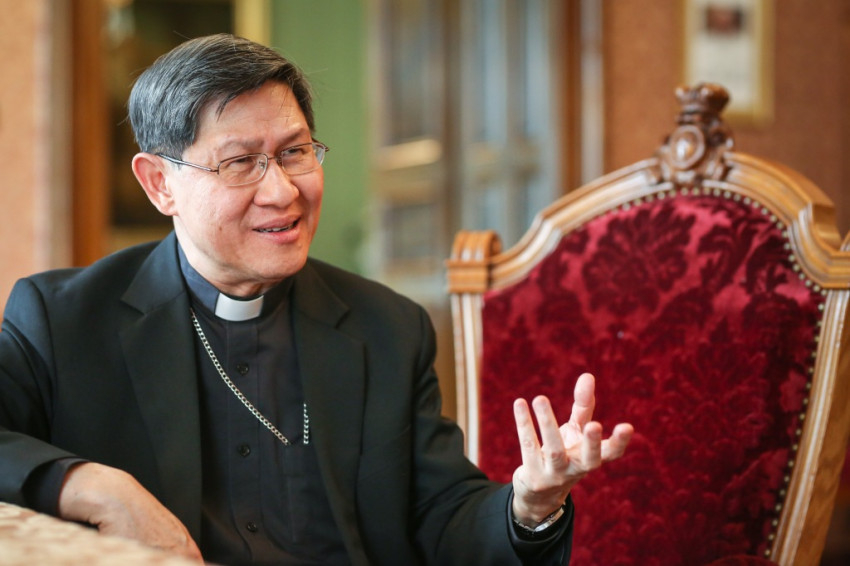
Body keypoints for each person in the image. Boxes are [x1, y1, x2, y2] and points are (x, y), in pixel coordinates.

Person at [0, 34, 632, 565]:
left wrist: (529, 505)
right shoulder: (61, 320)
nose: (282, 191)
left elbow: (441, 516)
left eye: (295, 152)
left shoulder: (387, 328)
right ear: (159, 183)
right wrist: (95, 486)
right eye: (240, 163)